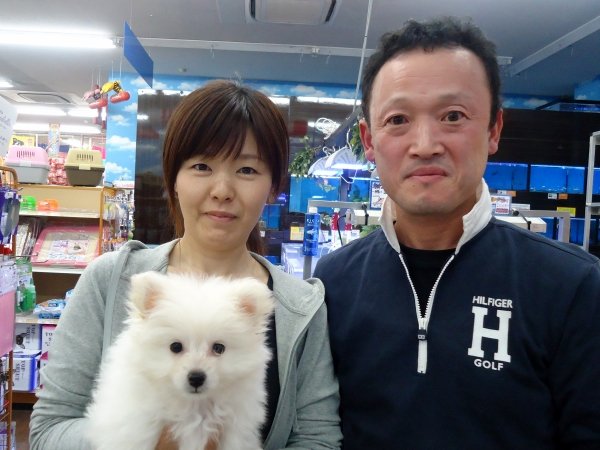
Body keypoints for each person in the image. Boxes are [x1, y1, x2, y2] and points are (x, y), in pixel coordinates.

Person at [314, 16, 600, 449]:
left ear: (494, 130)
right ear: (369, 140)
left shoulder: (572, 287)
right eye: (398, 119)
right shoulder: (333, 282)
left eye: (453, 116)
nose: (425, 145)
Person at [30, 80, 342, 450]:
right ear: (173, 178)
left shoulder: (302, 308)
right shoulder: (110, 279)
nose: (222, 190)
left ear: (273, 186)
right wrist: (144, 441)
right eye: (201, 166)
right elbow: (48, 431)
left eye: (247, 170)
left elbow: (318, 439)